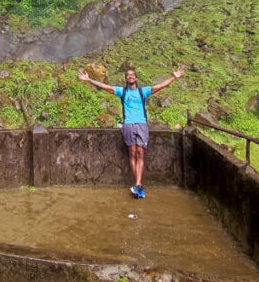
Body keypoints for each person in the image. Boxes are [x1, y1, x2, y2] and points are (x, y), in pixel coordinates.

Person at [77, 64, 186, 198]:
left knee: (140, 153)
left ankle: (138, 185)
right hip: (128, 125)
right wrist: (89, 80)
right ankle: (138, 185)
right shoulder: (122, 92)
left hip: (141, 124)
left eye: (132, 75)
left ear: (136, 78)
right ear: (126, 79)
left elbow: (160, 86)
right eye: (128, 75)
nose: (130, 76)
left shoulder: (143, 92)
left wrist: (174, 77)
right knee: (132, 152)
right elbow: (105, 87)